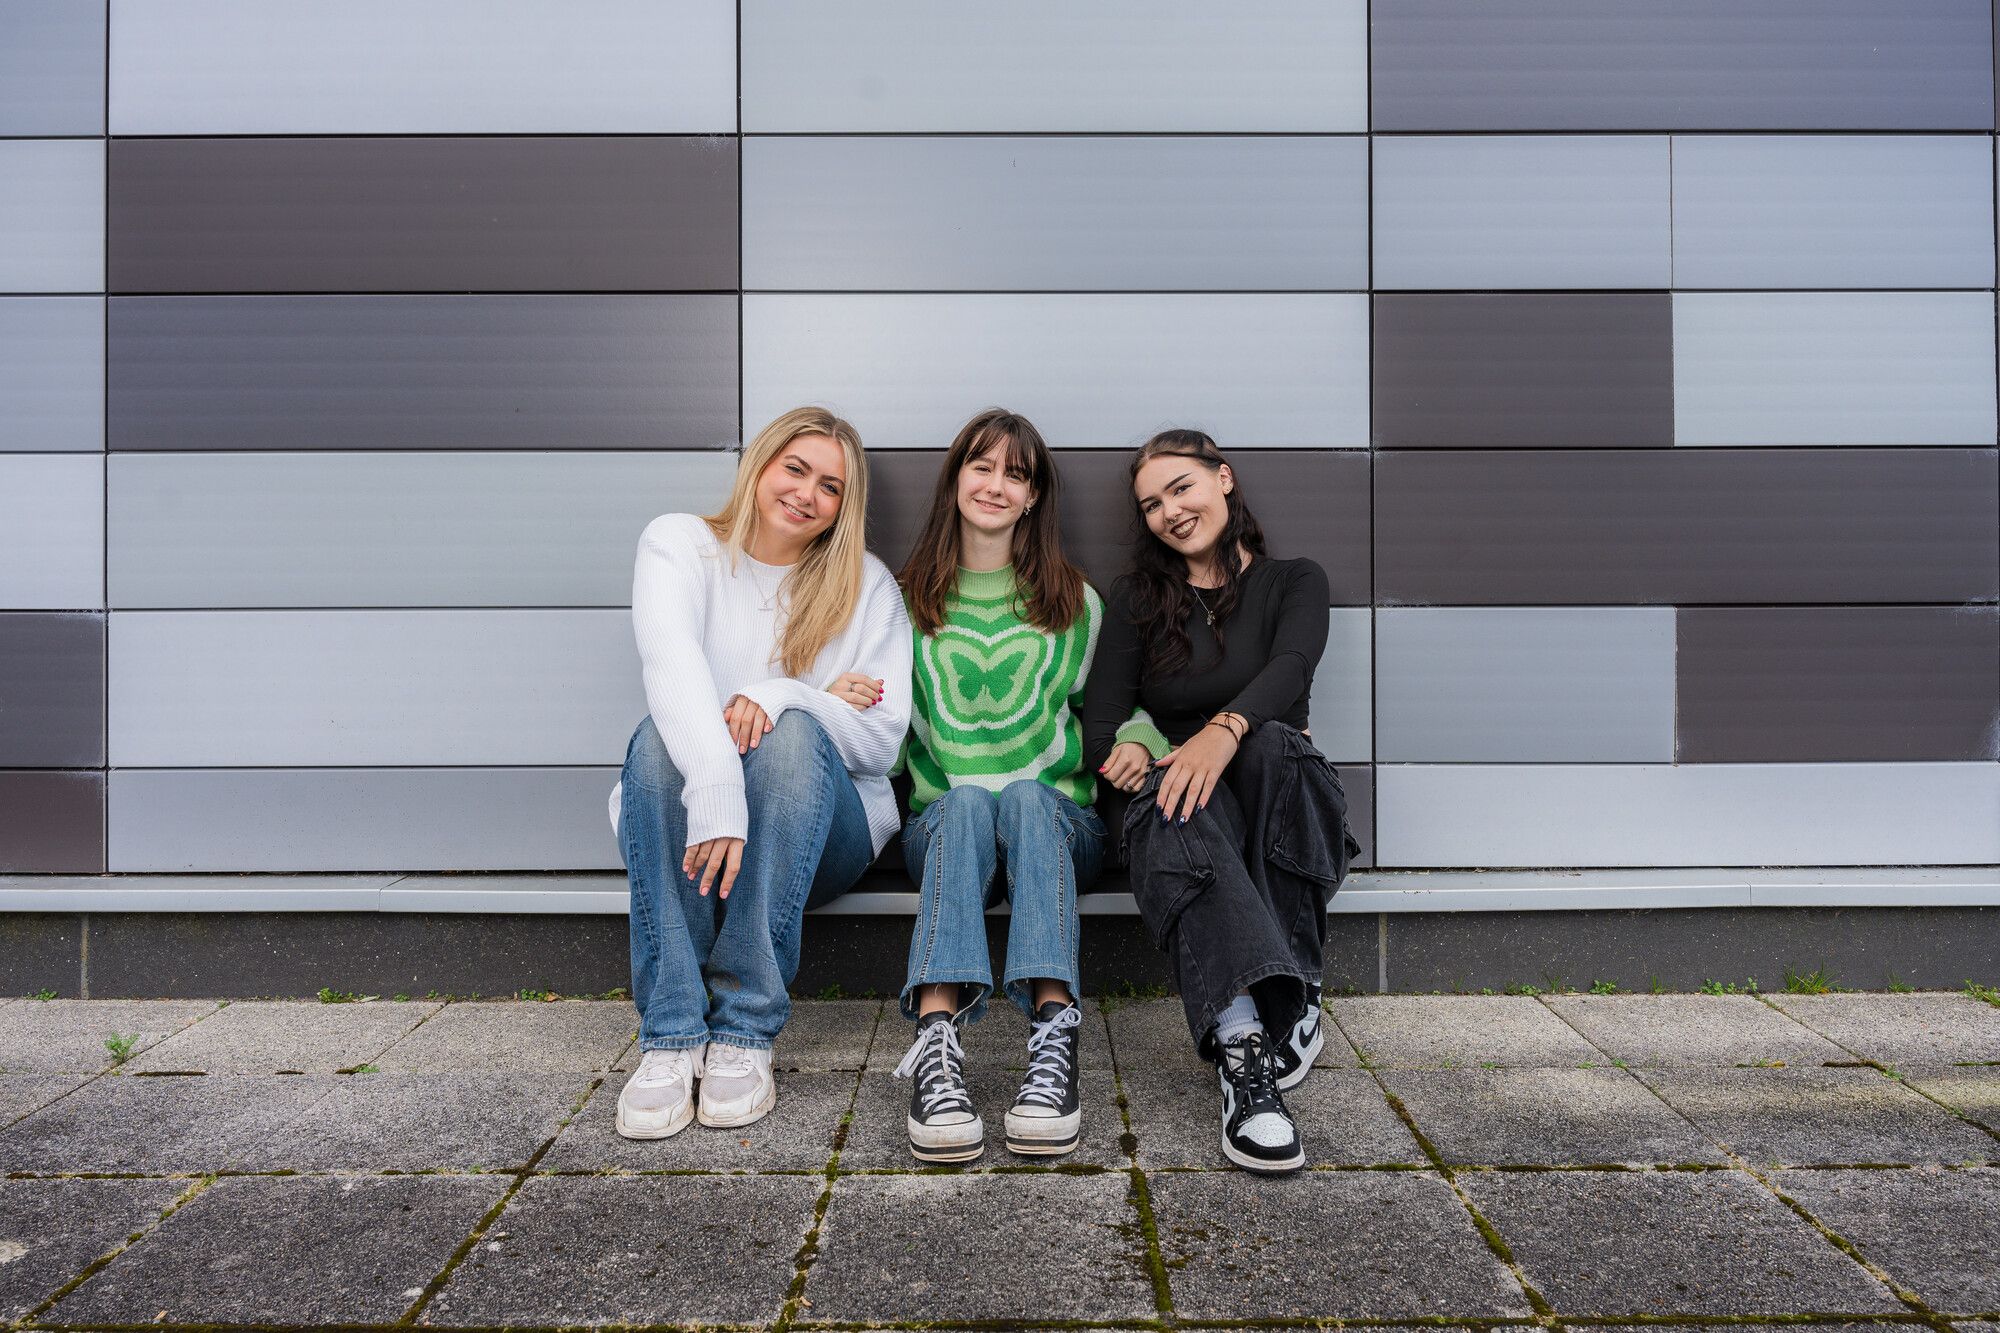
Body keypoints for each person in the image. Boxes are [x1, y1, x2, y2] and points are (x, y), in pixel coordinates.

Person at [867, 408, 1164, 1163]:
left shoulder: (1074, 601)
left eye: (1016, 473)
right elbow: (884, 731)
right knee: (964, 801)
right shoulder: (902, 603)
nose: (996, 484)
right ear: (956, 479)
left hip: (1060, 824)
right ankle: (936, 1047)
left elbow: (1121, 707)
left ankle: (1053, 1044)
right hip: (946, 824)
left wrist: (1140, 737)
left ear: (1033, 496)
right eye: (982, 466)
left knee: (1032, 797)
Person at [609, 406, 912, 1140]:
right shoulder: (679, 544)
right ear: (760, 465)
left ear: (846, 505)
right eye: (796, 469)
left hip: (820, 835)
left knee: (794, 732)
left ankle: (744, 1029)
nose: (808, 493)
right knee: (659, 733)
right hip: (694, 828)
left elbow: (878, 743)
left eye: (831, 486)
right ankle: (673, 1034)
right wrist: (716, 786)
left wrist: (783, 697)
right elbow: (671, 671)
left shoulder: (865, 586)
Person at [1082, 429, 1360, 1174]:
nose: (1169, 510)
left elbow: (1293, 665)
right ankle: (1245, 1053)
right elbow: (1101, 722)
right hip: (1179, 809)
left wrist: (1224, 731)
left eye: (1181, 487)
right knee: (1174, 796)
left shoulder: (1294, 581)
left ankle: (1296, 988)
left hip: (1273, 786)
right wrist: (1139, 743)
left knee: (1275, 747)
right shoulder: (1140, 598)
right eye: (1150, 503)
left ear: (1224, 478)